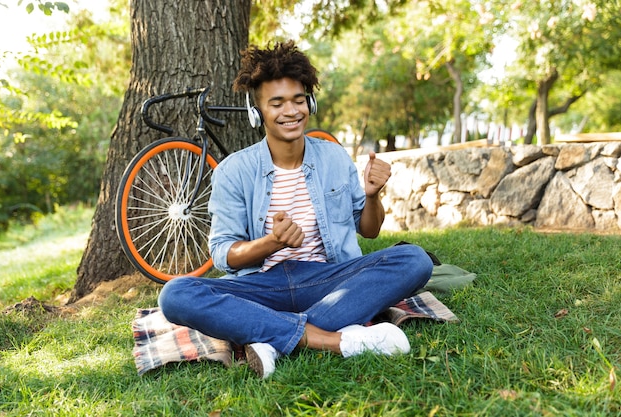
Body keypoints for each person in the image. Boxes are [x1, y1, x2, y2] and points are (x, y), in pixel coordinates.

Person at [158, 40, 433, 378]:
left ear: (310, 102)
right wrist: (271, 243)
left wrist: (373, 195)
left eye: (298, 100)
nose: (291, 111)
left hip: (330, 281)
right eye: (277, 104)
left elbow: (370, 230)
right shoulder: (233, 171)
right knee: (176, 294)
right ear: (257, 113)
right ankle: (335, 340)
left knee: (414, 259)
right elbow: (222, 254)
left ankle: (268, 339)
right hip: (261, 287)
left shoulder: (333, 156)